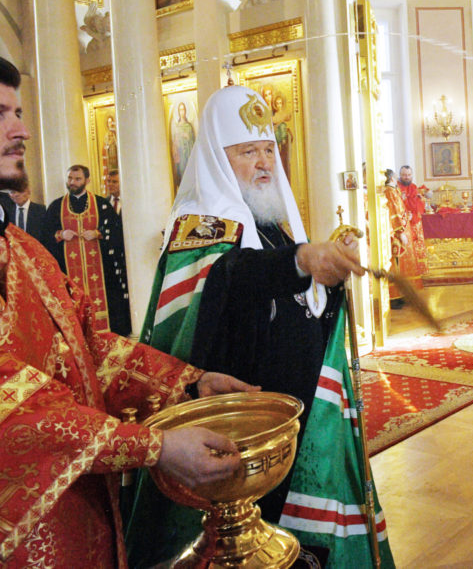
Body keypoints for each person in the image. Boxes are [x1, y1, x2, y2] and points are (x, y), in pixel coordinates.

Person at [0, 56, 256, 566]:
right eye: (2, 114)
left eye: (19, 112)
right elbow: (14, 405)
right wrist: (155, 448)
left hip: (79, 507)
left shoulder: (22, 249)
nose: (22, 130)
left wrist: (188, 383)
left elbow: (89, 350)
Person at [127, 85, 394, 568]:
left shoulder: (271, 222)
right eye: (248, 151)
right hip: (235, 425)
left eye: (269, 149)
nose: (265, 162)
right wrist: (300, 261)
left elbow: (295, 299)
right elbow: (233, 278)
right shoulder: (200, 226)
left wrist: (326, 272)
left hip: (291, 412)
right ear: (215, 157)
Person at [42, 164, 131, 336]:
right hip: (68, 270)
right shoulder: (56, 207)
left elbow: (116, 232)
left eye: (77, 179)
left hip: (100, 271)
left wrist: (98, 234)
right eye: (70, 178)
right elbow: (45, 236)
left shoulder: (101, 204)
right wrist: (60, 234)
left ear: (87, 180)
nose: (72, 182)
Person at [382, 169, 425, 308]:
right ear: (392, 178)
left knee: (405, 265)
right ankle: (394, 297)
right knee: (397, 264)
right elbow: (394, 212)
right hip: (398, 233)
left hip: (404, 228)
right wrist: (400, 231)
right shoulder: (389, 191)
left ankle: (402, 294)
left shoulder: (393, 190)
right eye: (395, 176)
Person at [397, 165, 429, 270]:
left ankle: (420, 269)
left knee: (418, 247)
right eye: (404, 175)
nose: (407, 177)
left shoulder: (414, 187)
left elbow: (418, 205)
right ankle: (409, 270)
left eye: (409, 175)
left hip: (416, 222)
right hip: (404, 224)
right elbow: (396, 206)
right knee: (407, 248)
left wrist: (421, 200)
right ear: (400, 175)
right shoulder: (396, 188)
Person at [170, 100, 196, 189]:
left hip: (187, 155)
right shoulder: (177, 127)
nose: (182, 112)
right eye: (180, 110)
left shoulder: (189, 126)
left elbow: (193, 142)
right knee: (181, 173)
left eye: (183, 110)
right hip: (180, 157)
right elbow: (174, 143)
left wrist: (188, 137)